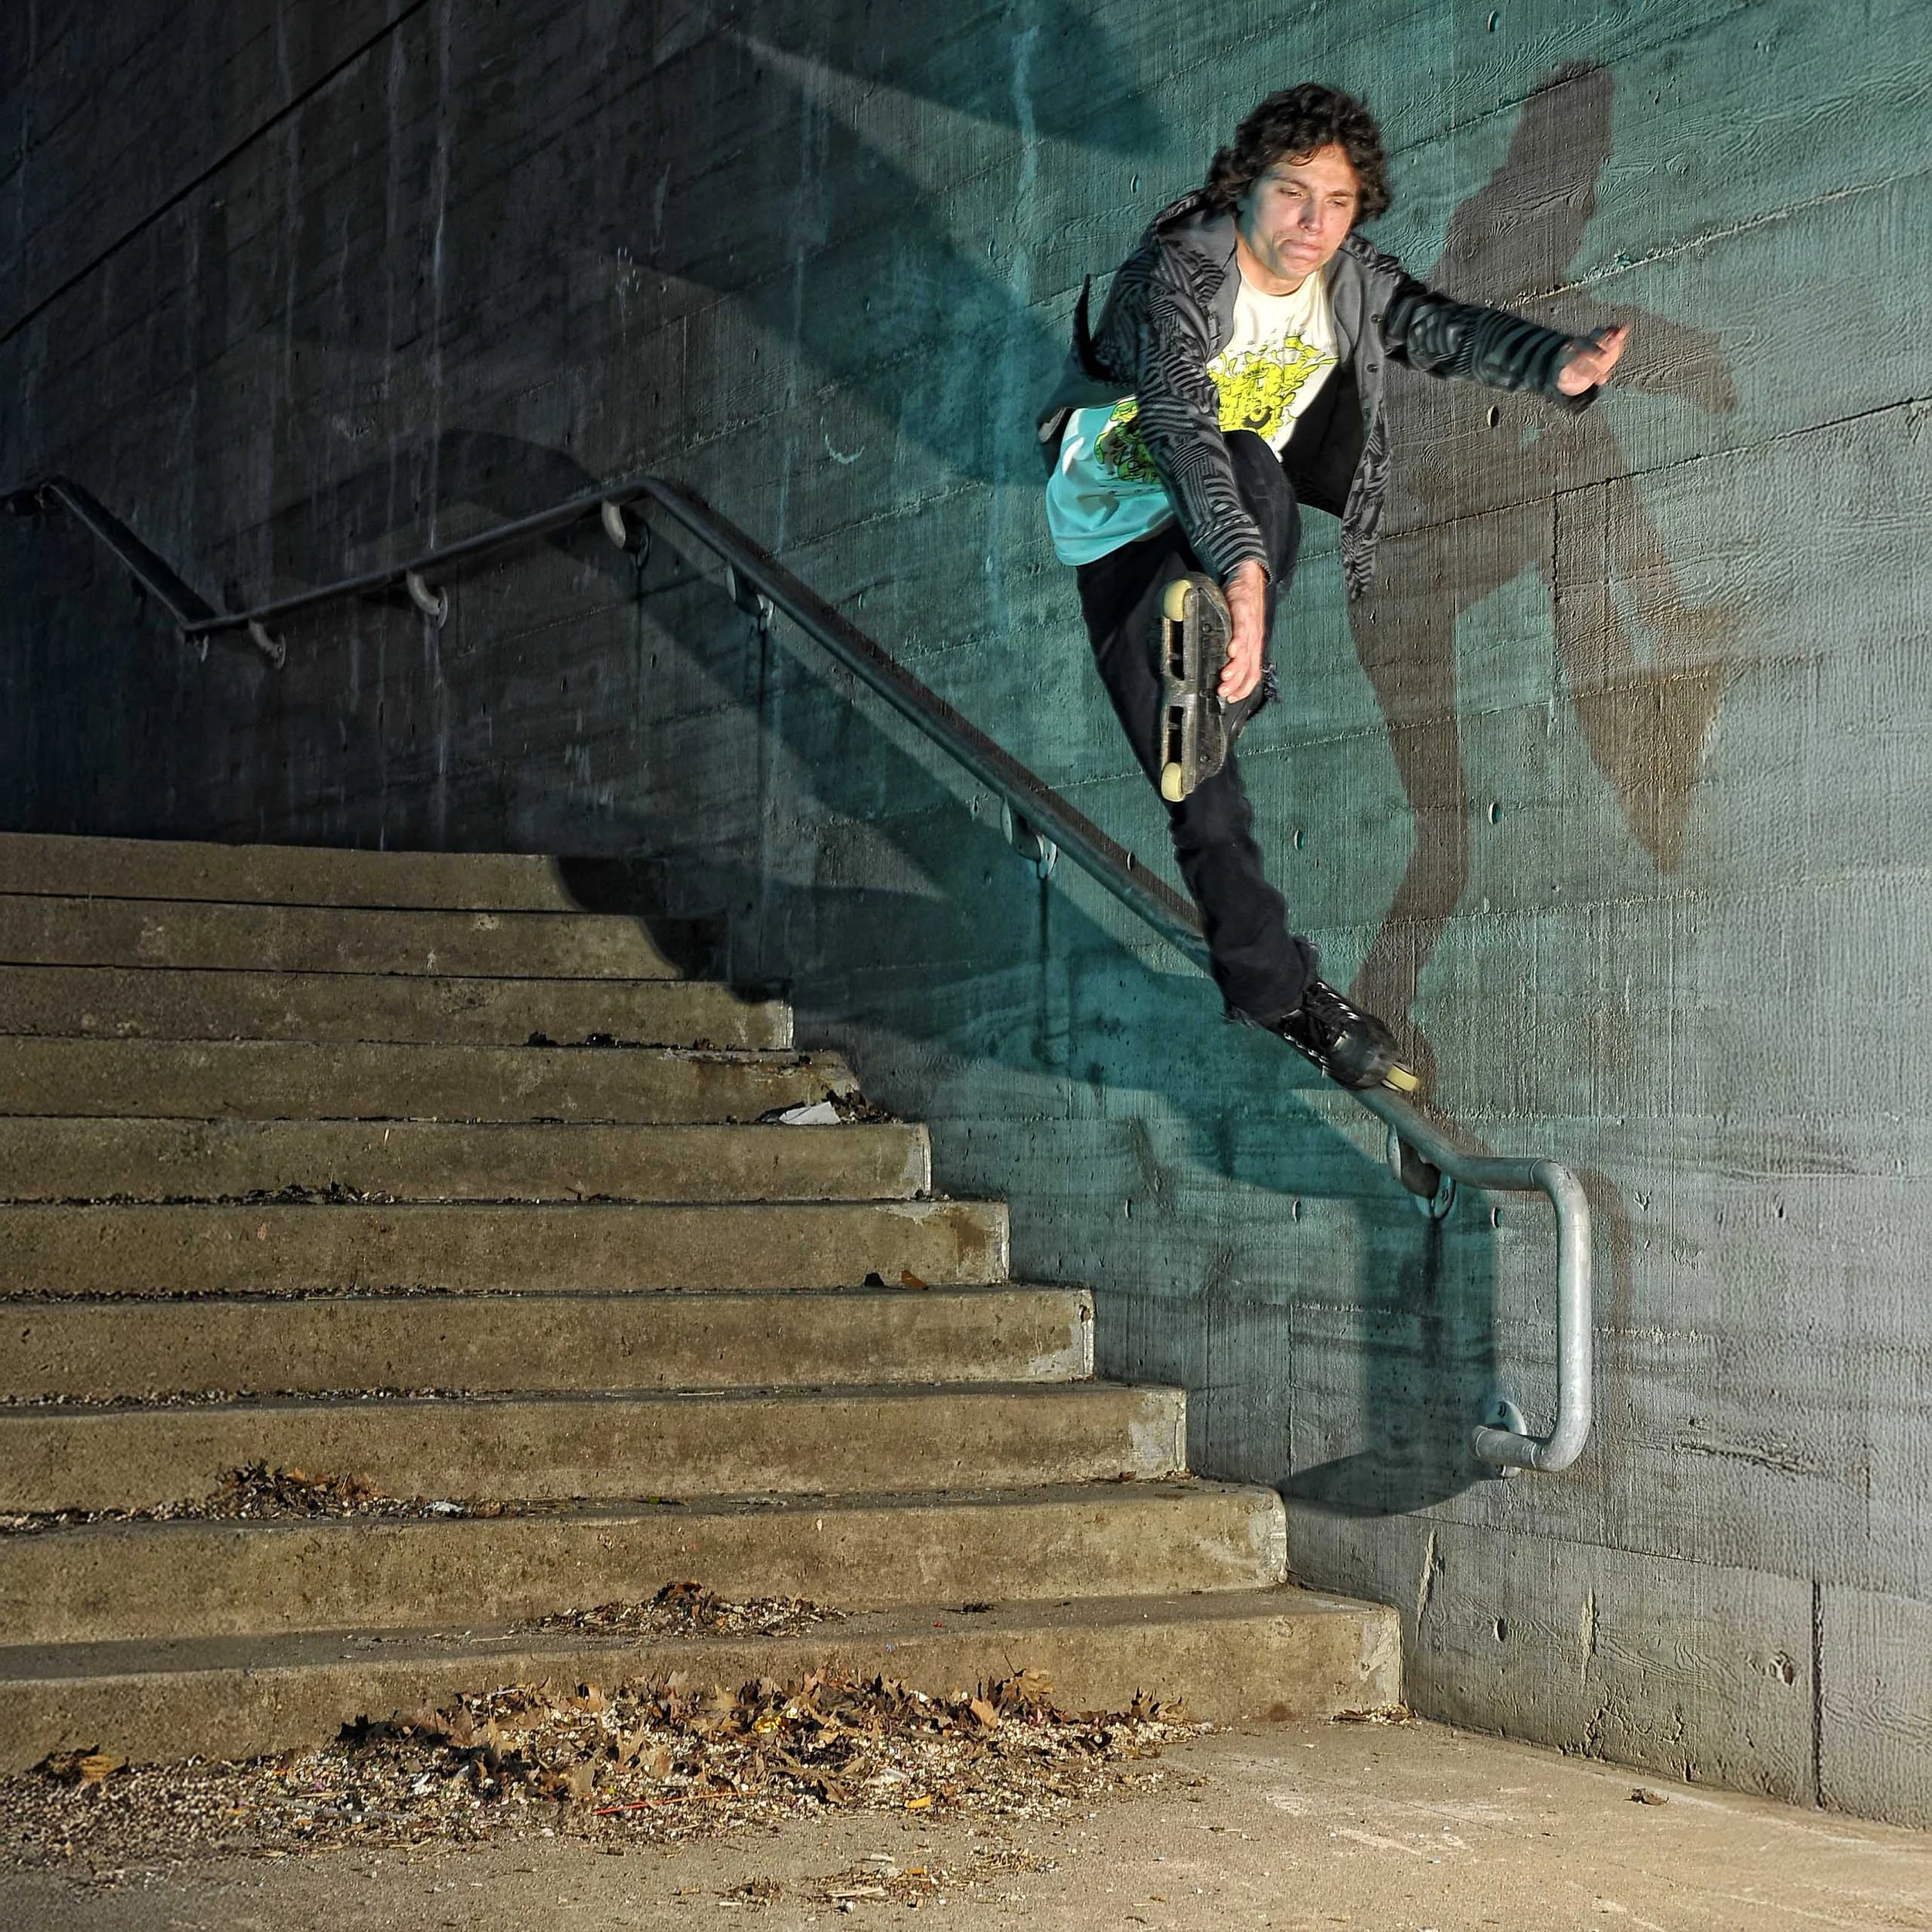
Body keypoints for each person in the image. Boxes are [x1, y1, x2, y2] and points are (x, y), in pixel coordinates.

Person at [1037, 83, 1627, 1092]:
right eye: (1292, 195)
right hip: (1123, 534)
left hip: (1229, 542)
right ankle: (1278, 978)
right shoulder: (1175, 275)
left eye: (1340, 203)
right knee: (1244, 492)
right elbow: (1180, 423)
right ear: (1244, 186)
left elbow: (1438, 328)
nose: (1314, 226)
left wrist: (1554, 364)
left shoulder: (1349, 279)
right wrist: (1247, 579)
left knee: (1206, 774)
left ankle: (1284, 988)